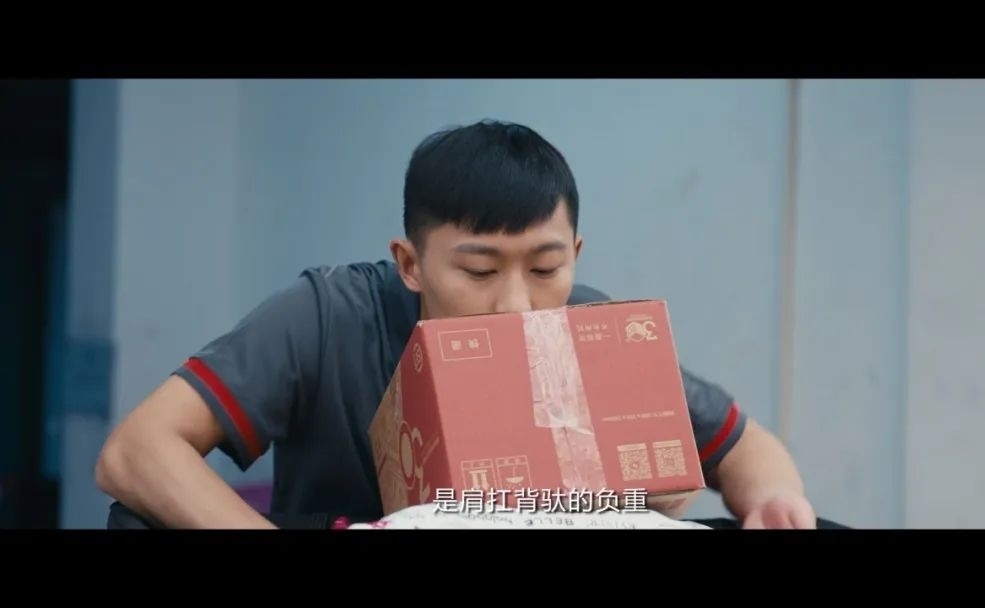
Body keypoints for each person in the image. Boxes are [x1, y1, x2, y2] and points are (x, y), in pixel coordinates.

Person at [95, 119, 819, 530]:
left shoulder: (593, 332)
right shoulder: (327, 317)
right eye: (478, 271)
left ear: (575, 254)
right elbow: (136, 451)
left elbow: (743, 445)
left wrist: (774, 501)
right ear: (410, 263)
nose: (517, 306)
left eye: (545, 268)